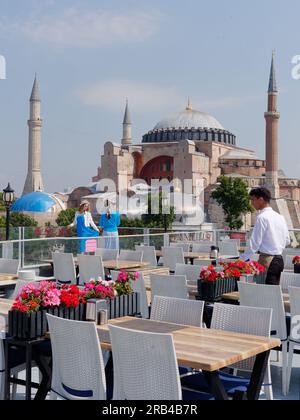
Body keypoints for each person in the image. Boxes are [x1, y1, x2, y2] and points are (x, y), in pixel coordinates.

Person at [240, 187, 290, 285]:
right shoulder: (280, 217)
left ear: (261, 199)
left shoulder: (262, 218)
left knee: (264, 293)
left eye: (253, 200)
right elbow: (287, 240)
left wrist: (242, 259)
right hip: (279, 260)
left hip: (267, 260)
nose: (252, 203)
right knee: (273, 292)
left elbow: (255, 242)